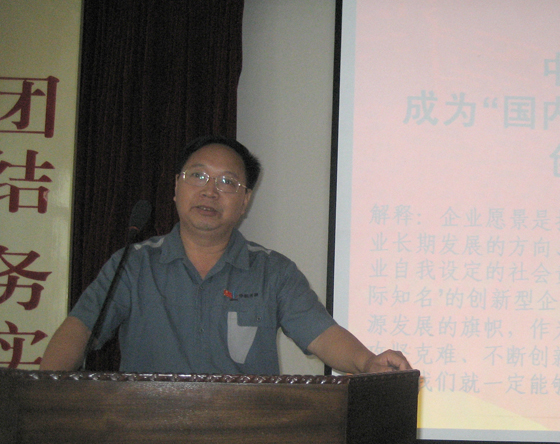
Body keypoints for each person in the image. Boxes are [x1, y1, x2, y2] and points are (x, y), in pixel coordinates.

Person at [39, 135, 411, 375]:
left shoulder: (272, 271)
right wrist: (44, 390)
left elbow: (322, 334)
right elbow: (79, 329)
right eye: (198, 176)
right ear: (176, 187)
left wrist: (367, 362)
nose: (210, 191)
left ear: (245, 200)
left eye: (227, 182)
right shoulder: (134, 264)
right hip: (146, 439)